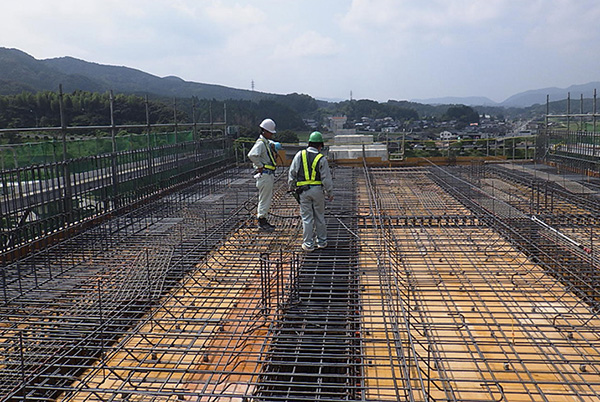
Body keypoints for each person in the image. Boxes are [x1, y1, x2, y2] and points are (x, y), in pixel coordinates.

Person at [288, 131, 333, 251]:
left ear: (309, 143)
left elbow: (292, 172)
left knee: (307, 218)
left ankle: (308, 244)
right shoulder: (321, 158)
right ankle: (322, 242)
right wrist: (330, 193)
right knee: (319, 216)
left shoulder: (300, 155)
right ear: (320, 145)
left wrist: (291, 186)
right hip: (317, 191)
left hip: (303, 191)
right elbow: (326, 178)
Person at [248, 118, 278, 231]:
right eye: (270, 132)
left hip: (267, 175)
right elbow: (252, 155)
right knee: (264, 199)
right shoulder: (260, 143)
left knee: (265, 198)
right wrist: (260, 166)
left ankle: (263, 220)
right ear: (264, 131)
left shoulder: (265, 143)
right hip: (265, 175)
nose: (272, 135)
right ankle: (262, 221)